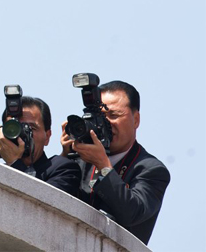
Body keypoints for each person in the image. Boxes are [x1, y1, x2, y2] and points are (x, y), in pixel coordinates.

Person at [60, 80, 170, 245]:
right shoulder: (79, 160)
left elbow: (132, 213)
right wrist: (63, 157)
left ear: (136, 119)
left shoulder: (151, 170)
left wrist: (103, 166)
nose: (105, 124)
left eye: (113, 115)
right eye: (100, 117)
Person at [0, 96, 81, 196]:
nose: (21, 134)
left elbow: (42, 205)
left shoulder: (64, 169)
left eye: (30, 128)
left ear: (47, 137)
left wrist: (14, 164)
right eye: (14, 128)